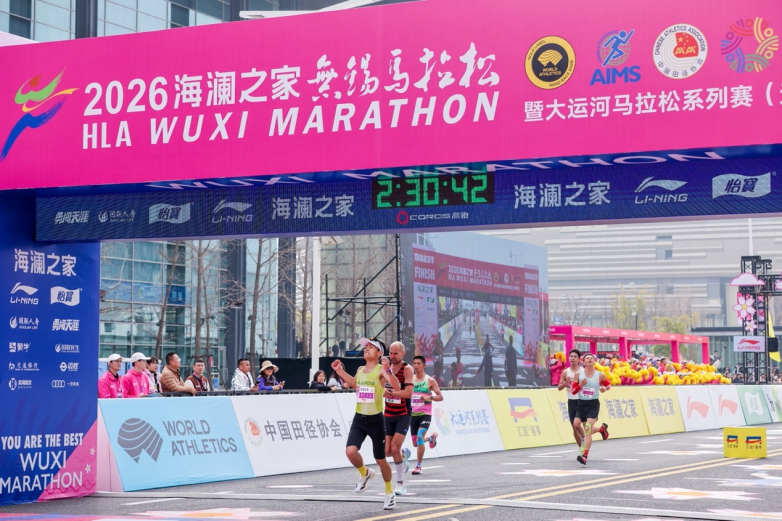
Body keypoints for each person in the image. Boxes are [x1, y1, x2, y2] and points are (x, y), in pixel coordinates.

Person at [330, 337, 399, 510]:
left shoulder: (381, 370)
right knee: (350, 452)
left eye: (371, 347)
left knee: (380, 460)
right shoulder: (360, 369)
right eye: (365, 347)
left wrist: (388, 370)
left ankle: (389, 492)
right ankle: (365, 473)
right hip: (359, 418)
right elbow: (354, 384)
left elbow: (396, 386)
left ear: (379, 353)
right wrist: (339, 371)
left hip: (376, 420)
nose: (366, 349)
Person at [384, 341, 414, 496]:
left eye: (395, 353)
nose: (392, 356)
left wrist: (391, 393)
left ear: (403, 353)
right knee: (387, 451)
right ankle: (403, 455)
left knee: (394, 448)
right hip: (388, 413)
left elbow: (408, 393)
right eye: (390, 352)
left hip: (403, 413)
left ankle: (400, 484)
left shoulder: (407, 369)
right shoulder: (385, 368)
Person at [572, 353, 610, 465]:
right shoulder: (578, 374)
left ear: (594, 361)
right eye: (587, 358)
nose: (589, 359)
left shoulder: (600, 375)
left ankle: (584, 456)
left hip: (593, 405)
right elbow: (573, 391)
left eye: (591, 358)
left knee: (587, 429)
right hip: (581, 404)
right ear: (583, 362)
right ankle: (602, 429)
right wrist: (580, 384)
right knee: (576, 425)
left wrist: (604, 388)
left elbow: (608, 385)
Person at [410, 356, 443, 475]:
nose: (416, 365)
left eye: (418, 363)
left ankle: (418, 466)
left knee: (419, 436)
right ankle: (431, 438)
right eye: (414, 363)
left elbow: (440, 397)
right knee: (416, 443)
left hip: (425, 414)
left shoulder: (430, 380)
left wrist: (429, 397)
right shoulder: (410, 380)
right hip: (413, 415)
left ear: (424, 366)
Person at [557, 349, 585, 454]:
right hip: (571, 401)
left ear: (579, 359)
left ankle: (584, 439)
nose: (572, 358)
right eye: (571, 356)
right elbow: (559, 387)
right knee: (574, 427)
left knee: (578, 425)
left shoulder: (583, 371)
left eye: (575, 357)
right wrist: (565, 383)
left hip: (582, 401)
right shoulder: (565, 372)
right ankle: (582, 449)